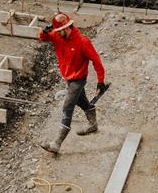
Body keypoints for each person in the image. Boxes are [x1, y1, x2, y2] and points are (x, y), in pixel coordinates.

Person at [38, 12, 107, 153]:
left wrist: (100, 81)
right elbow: (44, 38)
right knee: (81, 102)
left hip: (78, 80)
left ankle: (56, 143)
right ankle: (93, 124)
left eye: (59, 30)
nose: (56, 33)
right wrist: (44, 31)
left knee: (68, 107)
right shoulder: (58, 36)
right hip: (68, 78)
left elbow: (96, 61)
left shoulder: (82, 42)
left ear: (67, 27)